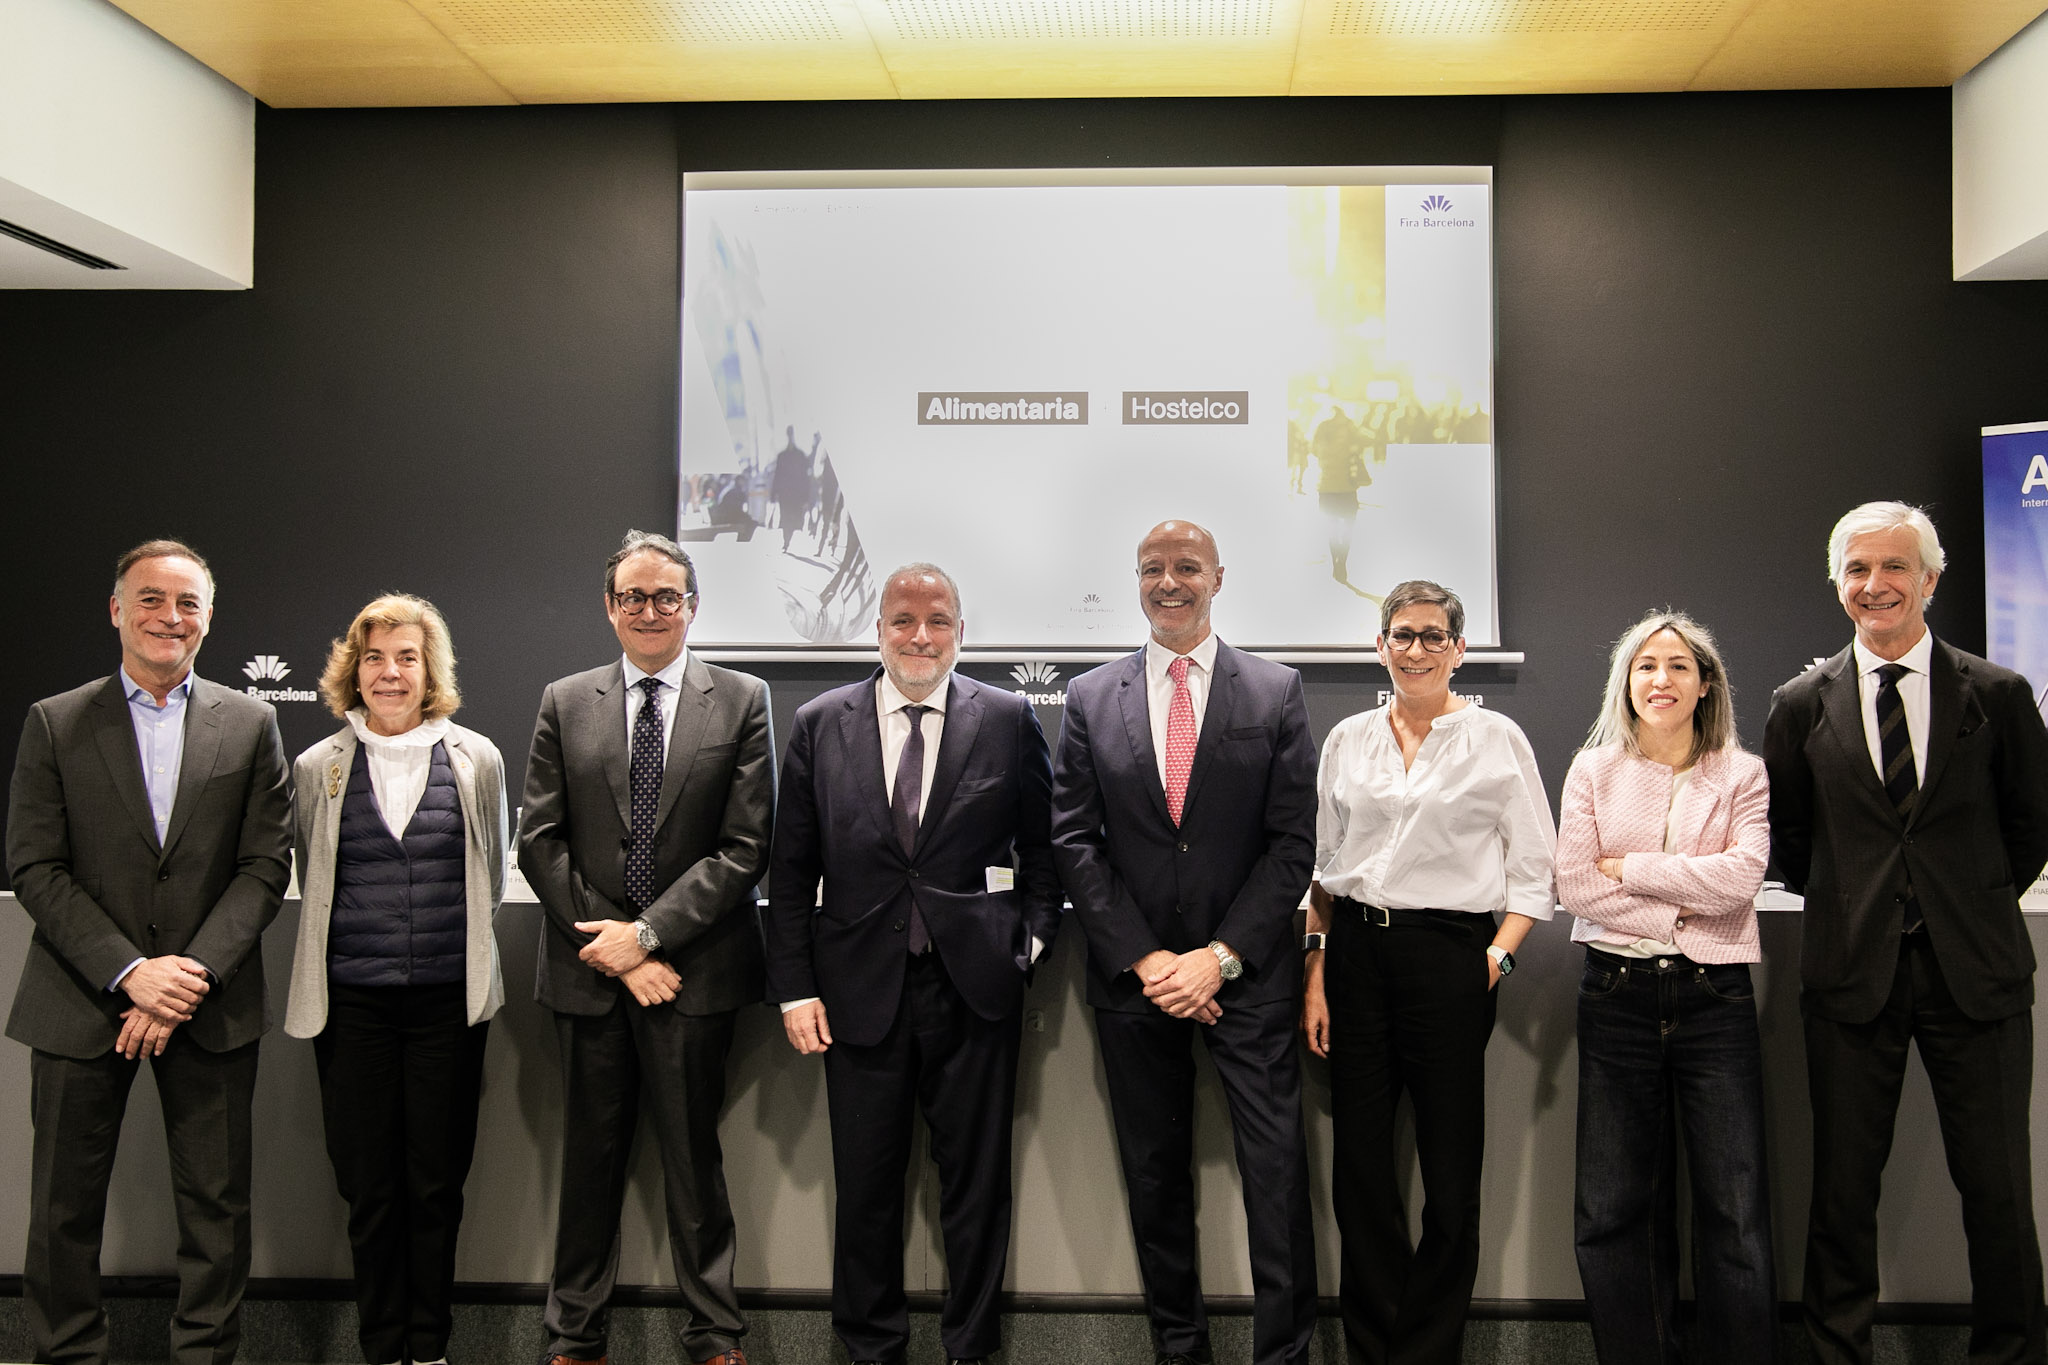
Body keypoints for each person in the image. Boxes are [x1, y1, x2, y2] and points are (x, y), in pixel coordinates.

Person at [1764, 501, 2048, 1365]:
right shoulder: (1798, 704)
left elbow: (2032, 828)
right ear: (1837, 582)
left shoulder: (1998, 694)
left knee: (1998, 1190)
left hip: (1979, 976)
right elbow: (1791, 842)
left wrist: (1960, 907)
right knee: (1842, 1194)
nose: (1875, 585)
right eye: (1857, 569)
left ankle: (2010, 1353)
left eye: (1894, 568)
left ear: (1930, 578)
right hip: (1852, 978)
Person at [766, 563, 1063, 1365]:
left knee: (976, 1189)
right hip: (857, 993)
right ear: (879, 629)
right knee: (865, 1190)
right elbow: (789, 872)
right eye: (903, 620)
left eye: (937, 620)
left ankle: (973, 1349)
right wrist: (794, 987)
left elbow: (1047, 850)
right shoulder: (821, 722)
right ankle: (869, 1349)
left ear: (961, 631)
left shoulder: (1006, 719)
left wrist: (1026, 944)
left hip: (976, 991)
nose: (920, 636)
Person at [5, 538, 292, 1365]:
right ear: (118, 610)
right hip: (79, 996)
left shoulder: (252, 721)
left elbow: (265, 864)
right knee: (62, 1208)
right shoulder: (56, 722)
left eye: (189, 603)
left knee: (217, 1206)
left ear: (209, 616)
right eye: (153, 600)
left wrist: (188, 974)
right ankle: (67, 1354)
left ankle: (204, 1355)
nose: (172, 617)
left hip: (209, 1001)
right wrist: (133, 972)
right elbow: (34, 863)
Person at [1052, 519, 1320, 1365]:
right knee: (1155, 1176)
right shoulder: (1091, 697)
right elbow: (1073, 840)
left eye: (1187, 568)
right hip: (1136, 983)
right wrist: (1148, 958)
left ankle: (1284, 1354)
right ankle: (1181, 1349)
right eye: (1153, 569)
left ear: (1218, 577)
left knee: (1276, 1181)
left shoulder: (1274, 690)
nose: (1170, 582)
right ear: (1137, 580)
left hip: (1250, 979)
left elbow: (1293, 844)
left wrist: (1219, 956)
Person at [519, 529, 774, 1365]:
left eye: (667, 596)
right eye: (633, 596)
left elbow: (744, 848)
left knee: (694, 1163)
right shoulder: (565, 699)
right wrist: (616, 945)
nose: (650, 609)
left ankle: (715, 1332)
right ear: (609, 607)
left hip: (692, 974)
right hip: (592, 973)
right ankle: (573, 1334)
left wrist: (651, 934)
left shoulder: (740, 699)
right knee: (588, 1165)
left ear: (692, 606)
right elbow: (539, 840)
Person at [1300, 579, 1555, 1365]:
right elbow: (1322, 870)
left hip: (1452, 957)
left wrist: (1495, 956)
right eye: (1402, 635)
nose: (1416, 649)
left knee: (1449, 1177)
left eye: (1432, 636)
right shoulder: (1347, 739)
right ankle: (1375, 1349)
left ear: (1458, 649)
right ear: (1381, 646)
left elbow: (1535, 871)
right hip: (1354, 957)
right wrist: (1315, 974)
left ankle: (1428, 1350)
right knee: (1363, 1173)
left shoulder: (1497, 738)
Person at [282, 594, 509, 1365]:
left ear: (429, 669)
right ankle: (383, 1346)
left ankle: (430, 1346)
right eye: (374, 657)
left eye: (406, 656)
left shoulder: (477, 759)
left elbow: (492, 872)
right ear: (355, 669)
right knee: (370, 1189)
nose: (390, 672)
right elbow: (311, 878)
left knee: (435, 1184)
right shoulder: (318, 767)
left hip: (449, 1006)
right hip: (353, 1009)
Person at [1555, 610, 1775, 1364]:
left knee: (1735, 1206)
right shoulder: (1593, 769)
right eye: (1647, 665)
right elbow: (1580, 885)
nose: (1662, 679)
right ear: (1627, 680)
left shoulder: (1742, 771)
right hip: (1616, 994)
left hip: (1716, 998)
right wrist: (1688, 891)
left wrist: (1636, 868)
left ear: (1705, 682)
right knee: (1614, 1204)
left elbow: (1743, 876)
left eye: (1679, 665)